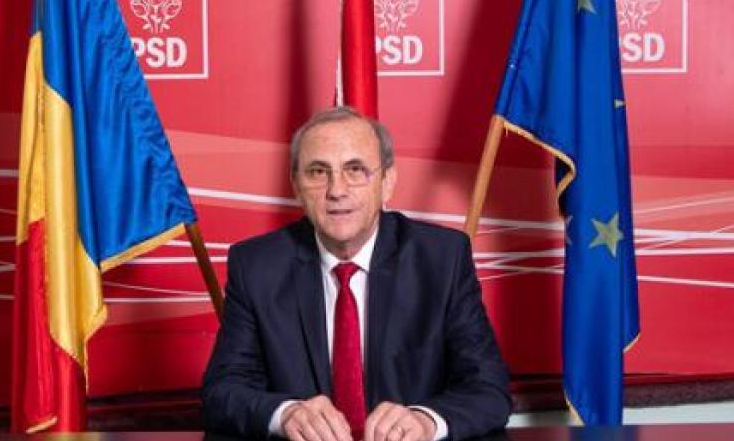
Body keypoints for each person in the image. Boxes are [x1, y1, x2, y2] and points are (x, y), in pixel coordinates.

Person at [202, 107, 511, 441]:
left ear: (387, 182)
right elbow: (222, 391)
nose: (337, 190)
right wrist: (286, 414)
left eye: (355, 170)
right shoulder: (257, 266)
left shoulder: (441, 259)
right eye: (318, 172)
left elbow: (488, 390)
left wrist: (425, 421)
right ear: (296, 186)